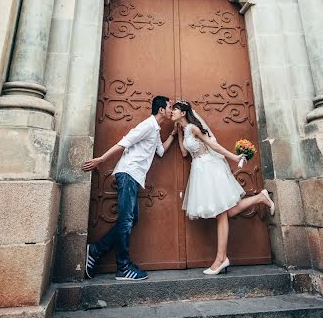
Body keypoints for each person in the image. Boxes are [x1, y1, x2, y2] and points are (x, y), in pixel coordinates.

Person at [172, 100, 275, 276]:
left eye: (174, 110)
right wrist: (178, 134)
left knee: (221, 214)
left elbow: (212, 144)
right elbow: (183, 153)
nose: (171, 112)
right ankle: (260, 198)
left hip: (210, 169)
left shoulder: (194, 128)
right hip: (199, 170)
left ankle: (221, 259)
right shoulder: (184, 130)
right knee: (227, 212)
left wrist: (234, 157)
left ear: (183, 113)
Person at [81, 95, 177, 281]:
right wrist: (101, 160)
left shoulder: (155, 130)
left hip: (133, 177)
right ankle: (123, 268)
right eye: (170, 106)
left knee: (131, 220)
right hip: (128, 174)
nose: (172, 109)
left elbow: (161, 151)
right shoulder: (147, 125)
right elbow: (125, 141)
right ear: (161, 110)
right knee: (126, 221)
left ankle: (95, 250)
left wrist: (173, 134)